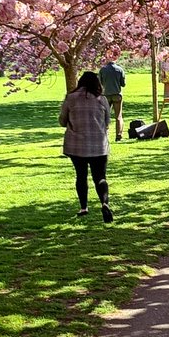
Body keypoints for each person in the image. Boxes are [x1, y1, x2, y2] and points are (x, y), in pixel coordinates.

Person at [59, 71, 114, 222]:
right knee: (100, 177)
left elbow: (62, 121)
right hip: (99, 145)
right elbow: (108, 121)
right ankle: (104, 203)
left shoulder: (70, 98)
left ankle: (83, 207)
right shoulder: (102, 99)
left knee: (81, 176)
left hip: (76, 146)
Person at [98, 55, 125, 142]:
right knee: (118, 116)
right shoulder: (120, 69)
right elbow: (123, 84)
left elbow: (100, 82)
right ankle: (118, 135)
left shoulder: (103, 70)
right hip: (117, 94)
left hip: (106, 95)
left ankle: (105, 135)